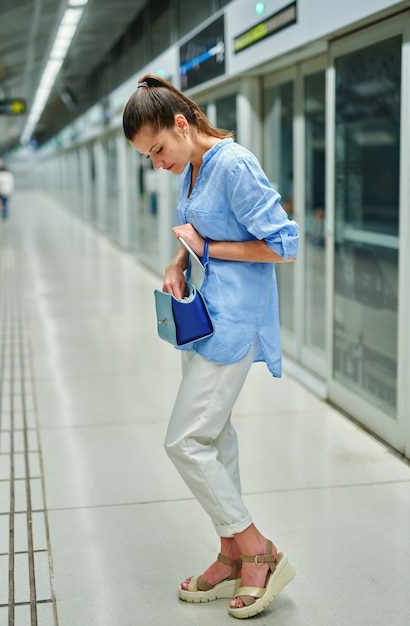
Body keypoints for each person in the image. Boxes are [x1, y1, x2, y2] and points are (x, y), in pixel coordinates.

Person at [122, 74, 299, 620]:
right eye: (147, 158)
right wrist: (179, 261)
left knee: (185, 441)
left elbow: (284, 245)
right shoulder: (194, 166)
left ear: (182, 123)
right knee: (215, 437)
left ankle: (257, 550)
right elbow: (192, 229)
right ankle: (228, 556)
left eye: (158, 150)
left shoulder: (234, 164)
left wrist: (207, 247)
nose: (157, 164)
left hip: (235, 325)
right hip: (205, 317)